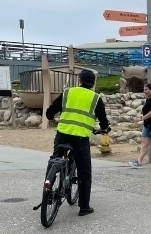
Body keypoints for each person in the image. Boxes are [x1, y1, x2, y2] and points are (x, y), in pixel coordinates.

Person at [45, 69, 110, 216]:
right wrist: (104, 128)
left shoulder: (68, 92)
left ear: (79, 80)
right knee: (84, 171)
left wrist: (51, 119)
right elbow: (103, 120)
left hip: (62, 134)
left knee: (54, 161)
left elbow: (50, 111)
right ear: (92, 84)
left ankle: (48, 193)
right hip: (80, 139)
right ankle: (84, 207)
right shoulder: (95, 98)